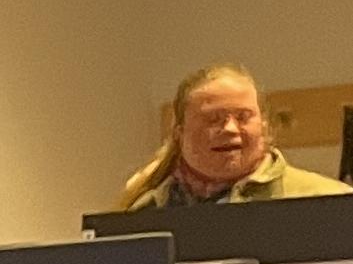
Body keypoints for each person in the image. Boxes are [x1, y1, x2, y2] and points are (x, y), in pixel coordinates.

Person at [117, 65, 351, 209]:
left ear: (264, 126)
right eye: (212, 119)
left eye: (243, 117)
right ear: (179, 134)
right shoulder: (143, 217)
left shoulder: (333, 204)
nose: (230, 129)